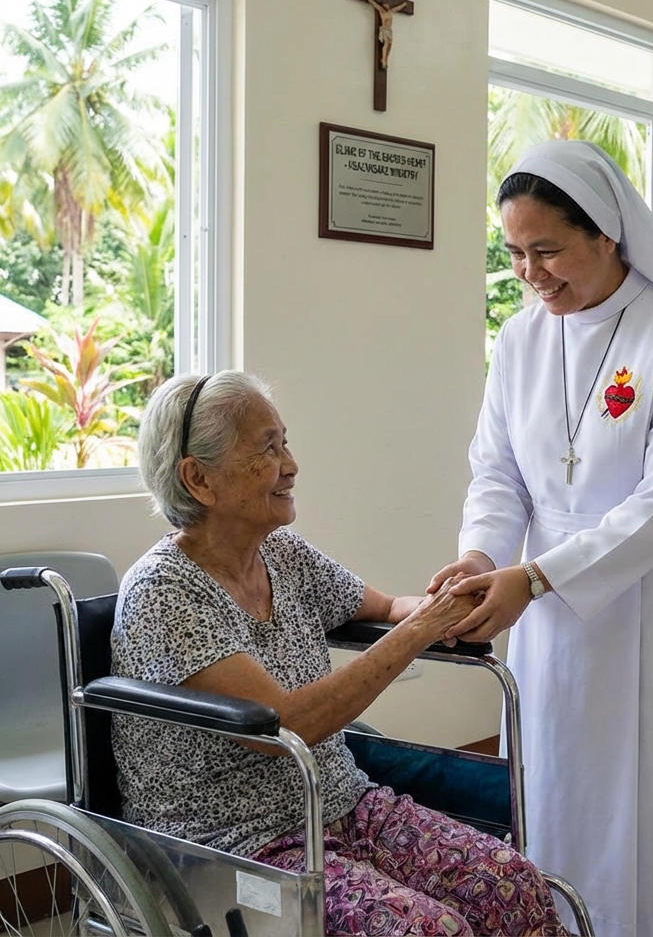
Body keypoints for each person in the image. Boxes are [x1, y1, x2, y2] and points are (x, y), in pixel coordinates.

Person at [427, 141, 653, 937]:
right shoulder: (518, 341)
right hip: (549, 619)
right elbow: (498, 471)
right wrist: (482, 554)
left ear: (608, 233)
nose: (530, 273)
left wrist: (536, 576)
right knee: (560, 793)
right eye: (514, 252)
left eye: (547, 250)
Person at [111, 371, 569, 937]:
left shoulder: (279, 552)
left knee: (512, 882)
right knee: (430, 930)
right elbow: (289, 725)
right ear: (199, 479)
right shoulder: (163, 592)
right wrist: (421, 629)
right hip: (232, 849)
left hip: (341, 802)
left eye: (286, 441)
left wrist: (452, 599)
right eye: (268, 448)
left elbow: (386, 606)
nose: (291, 464)